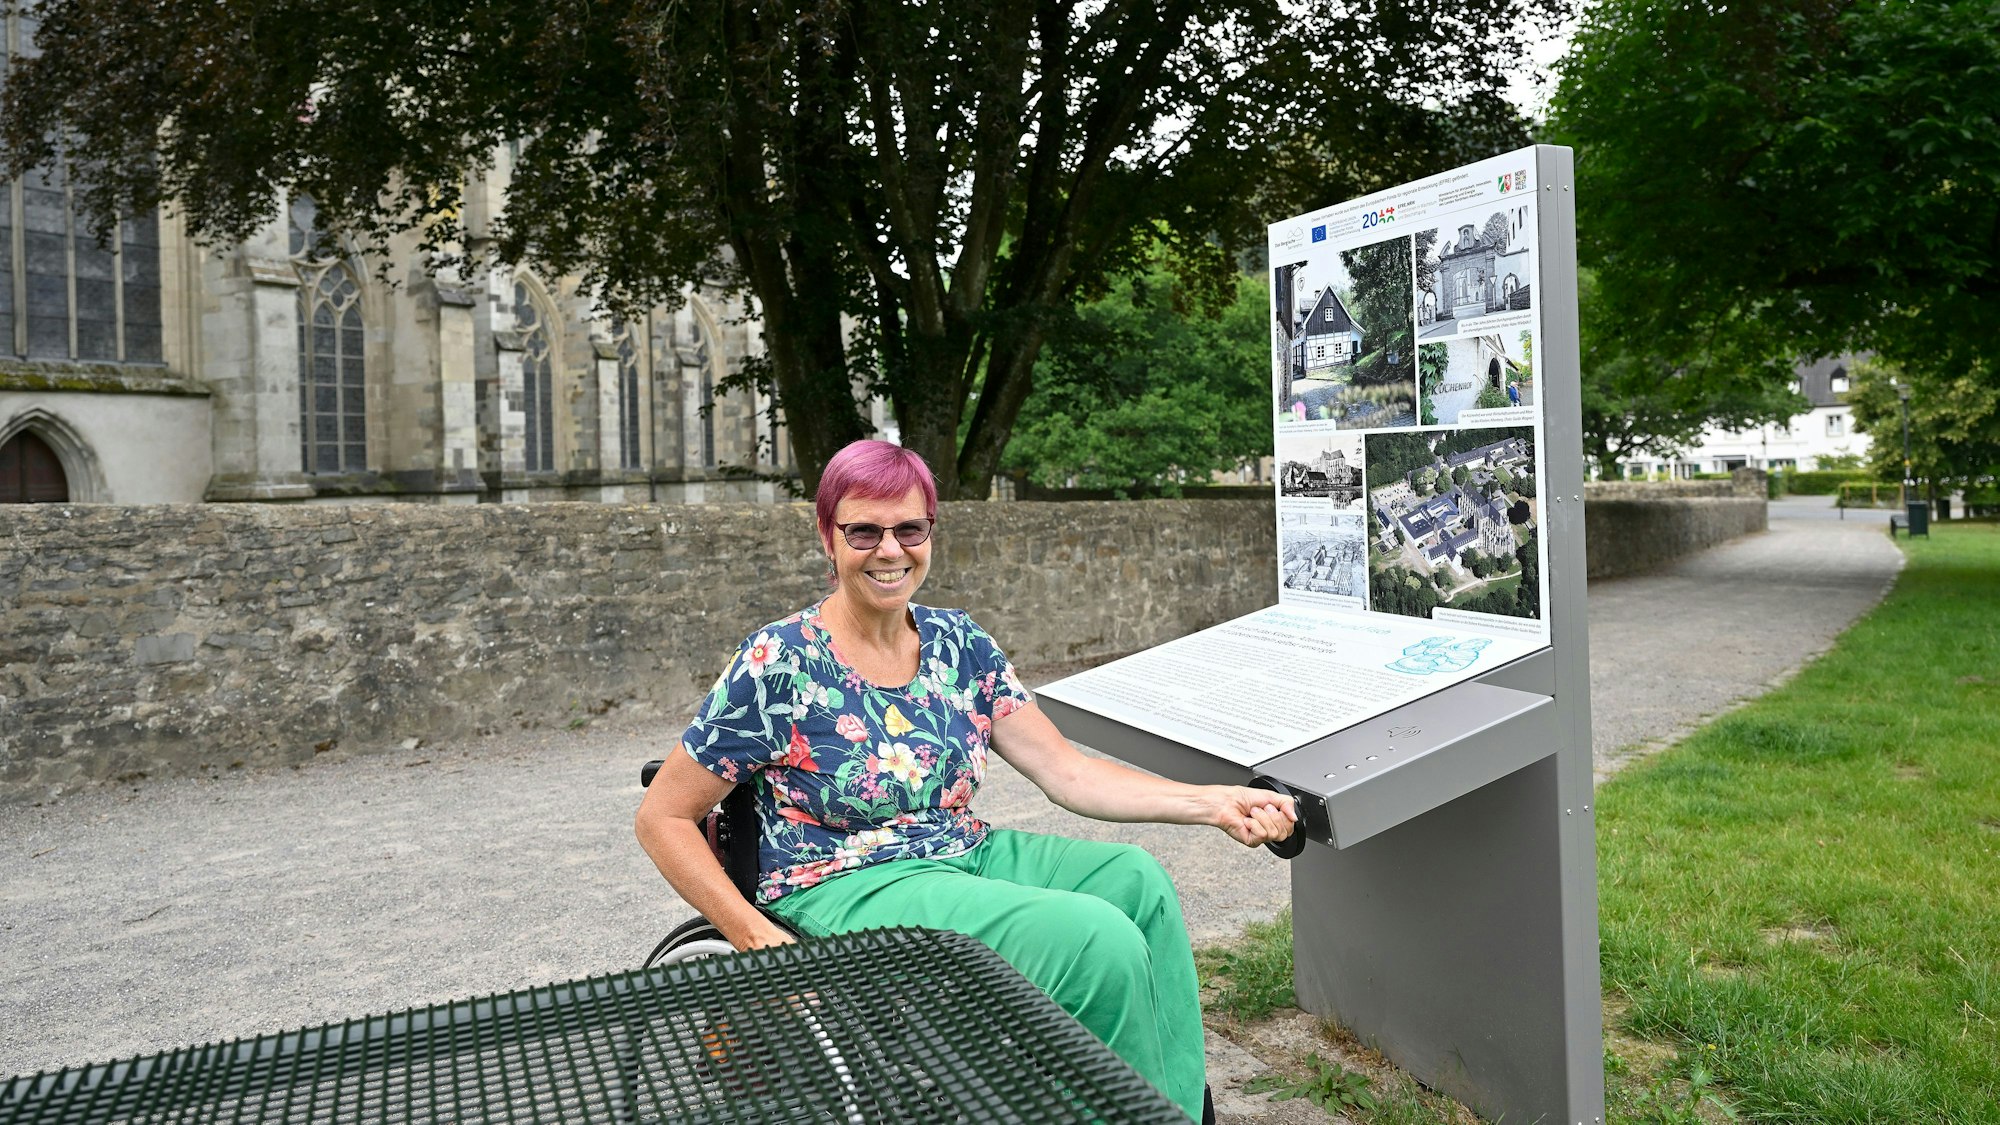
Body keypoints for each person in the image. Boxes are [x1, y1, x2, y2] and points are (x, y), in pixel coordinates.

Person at [635, 439, 1297, 1122]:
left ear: (930, 532)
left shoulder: (959, 643)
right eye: (864, 530)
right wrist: (751, 934)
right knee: (1097, 940)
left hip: (961, 851)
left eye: (909, 528)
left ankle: (1175, 1112)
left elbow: (1066, 770)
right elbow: (662, 817)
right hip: (846, 883)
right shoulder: (781, 661)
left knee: (1139, 883)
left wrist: (1215, 803)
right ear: (827, 537)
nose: (889, 550)